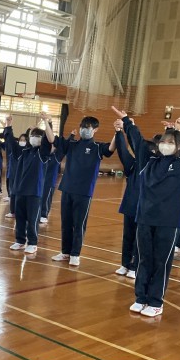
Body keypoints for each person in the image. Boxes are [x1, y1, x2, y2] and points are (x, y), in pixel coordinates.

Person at [115, 107, 180, 317]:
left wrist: (178, 130)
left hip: (168, 222)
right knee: (144, 259)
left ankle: (155, 301)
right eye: (163, 141)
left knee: (161, 262)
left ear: (179, 146)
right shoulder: (148, 162)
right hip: (145, 219)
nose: (165, 145)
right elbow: (136, 140)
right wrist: (127, 121)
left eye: (170, 142)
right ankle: (140, 298)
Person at [42, 113, 116, 266]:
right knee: (66, 223)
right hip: (67, 189)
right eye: (82, 126)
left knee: (79, 224)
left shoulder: (97, 147)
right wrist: (45, 122)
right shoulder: (72, 144)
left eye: (87, 127)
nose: (83, 129)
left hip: (84, 192)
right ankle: (65, 252)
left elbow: (110, 149)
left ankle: (75, 254)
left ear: (95, 130)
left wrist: (117, 132)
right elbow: (52, 139)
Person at [6, 119, 52, 254]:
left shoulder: (42, 154)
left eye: (37, 136)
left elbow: (48, 141)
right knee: (20, 217)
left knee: (32, 219)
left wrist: (47, 123)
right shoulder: (24, 152)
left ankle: (32, 243)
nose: (34, 138)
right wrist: (8, 127)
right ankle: (20, 240)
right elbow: (11, 144)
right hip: (20, 190)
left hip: (34, 192)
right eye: (32, 136)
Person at [113, 119, 143, 279]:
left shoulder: (154, 166)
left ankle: (135, 266)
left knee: (140, 240)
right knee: (127, 237)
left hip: (145, 209)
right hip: (130, 206)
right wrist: (119, 132)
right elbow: (123, 151)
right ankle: (125, 264)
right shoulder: (133, 165)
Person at [39, 125, 70, 224]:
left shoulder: (57, 155)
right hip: (39, 179)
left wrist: (71, 136)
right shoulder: (43, 154)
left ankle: (44, 214)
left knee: (46, 197)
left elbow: (65, 146)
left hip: (49, 181)